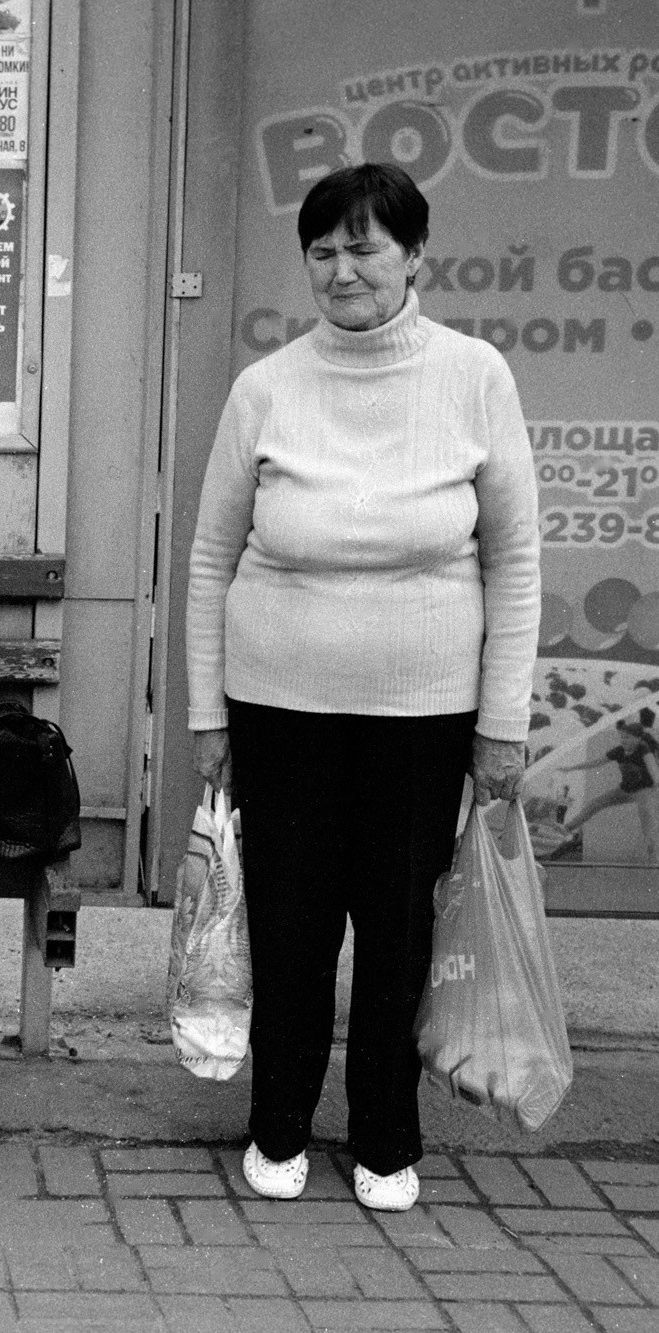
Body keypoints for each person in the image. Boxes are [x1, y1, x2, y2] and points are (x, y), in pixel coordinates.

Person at [184, 163, 540, 1212]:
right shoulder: (265, 387)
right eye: (322, 251)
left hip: (423, 718)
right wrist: (206, 713)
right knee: (289, 928)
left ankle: (386, 1134)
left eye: (364, 248)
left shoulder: (474, 376)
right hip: (278, 710)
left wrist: (502, 725)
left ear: (415, 255)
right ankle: (278, 1123)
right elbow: (209, 559)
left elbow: (514, 560)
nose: (342, 270)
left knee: (398, 932)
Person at [552, 708, 659, 860]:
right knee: (595, 803)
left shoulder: (643, 749)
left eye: (627, 738)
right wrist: (572, 768)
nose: (624, 741)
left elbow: (653, 770)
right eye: (622, 737)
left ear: (637, 739)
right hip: (625, 790)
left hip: (644, 792)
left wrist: (655, 787)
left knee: (648, 827)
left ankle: (653, 860)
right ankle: (567, 828)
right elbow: (596, 762)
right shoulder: (620, 750)